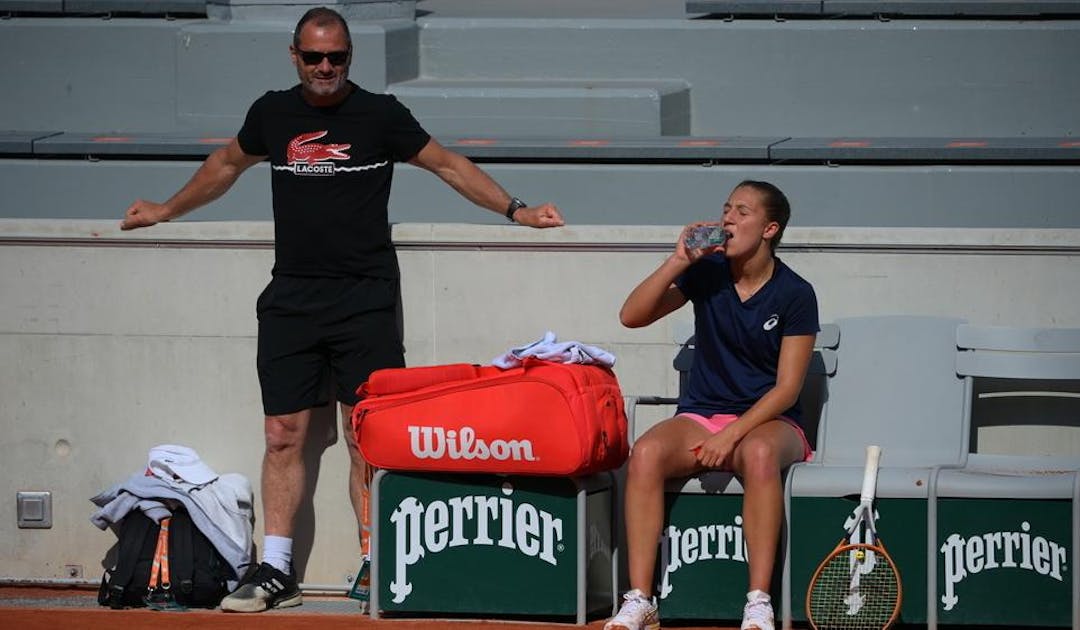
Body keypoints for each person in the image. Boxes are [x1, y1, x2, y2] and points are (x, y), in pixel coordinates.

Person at [120, 6, 564, 614]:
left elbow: (449, 166)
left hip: (366, 300)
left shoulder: (380, 115)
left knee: (368, 437)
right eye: (313, 57)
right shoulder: (272, 113)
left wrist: (519, 210)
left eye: (337, 57)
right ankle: (275, 569)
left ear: (349, 57)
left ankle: (379, 564)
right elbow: (225, 165)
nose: (325, 67)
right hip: (292, 299)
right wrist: (165, 210)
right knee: (283, 434)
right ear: (294, 56)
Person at [610, 181, 818, 630]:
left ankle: (758, 602)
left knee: (759, 454)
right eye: (726, 210)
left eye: (742, 212)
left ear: (769, 228)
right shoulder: (705, 272)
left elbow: (787, 389)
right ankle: (640, 600)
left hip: (772, 421)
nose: (727, 220)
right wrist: (678, 260)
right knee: (644, 453)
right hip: (701, 414)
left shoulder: (796, 294)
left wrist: (733, 432)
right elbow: (632, 316)